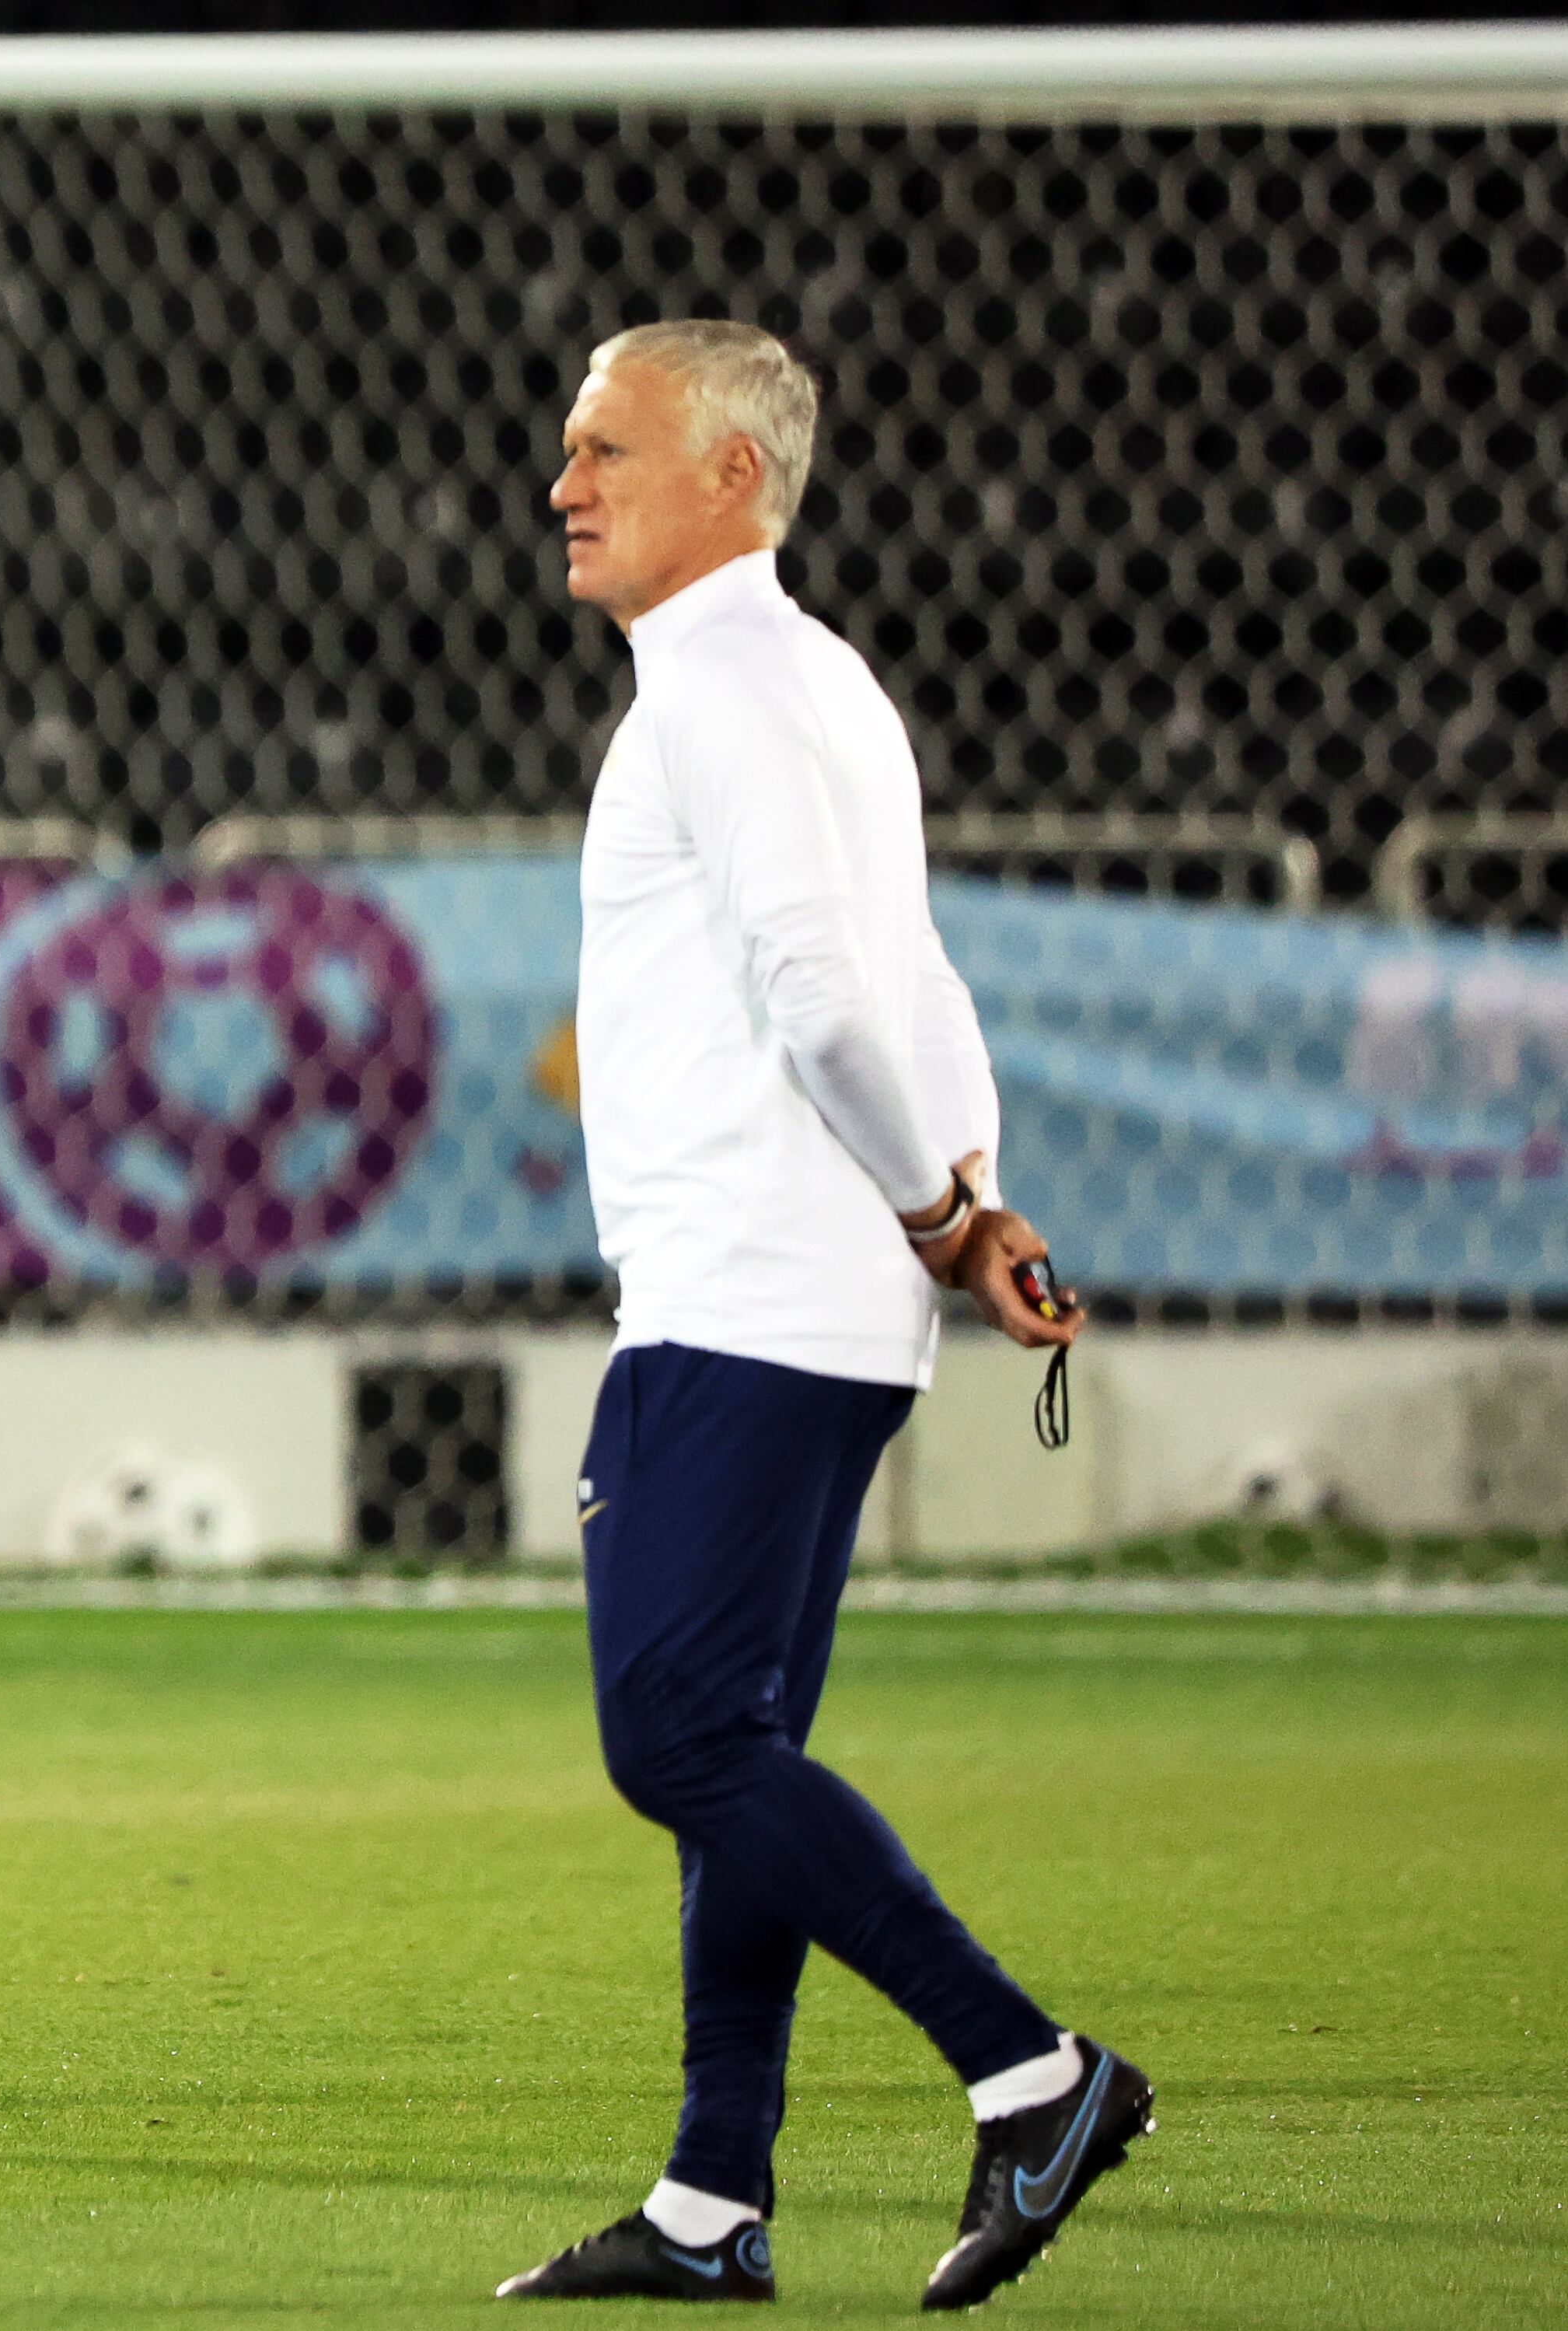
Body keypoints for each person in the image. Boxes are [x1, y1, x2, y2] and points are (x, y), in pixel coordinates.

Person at [494, 321, 1146, 2310]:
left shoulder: (720, 692)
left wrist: (939, 1202)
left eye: (608, 446)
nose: (562, 481)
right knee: (735, 1744)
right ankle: (711, 2197)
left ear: (734, 479)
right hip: (819, 1298)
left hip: (747, 1296)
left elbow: (825, 995)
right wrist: (967, 1204)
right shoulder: (820, 684)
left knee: (674, 1736)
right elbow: (917, 980)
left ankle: (1032, 2072)